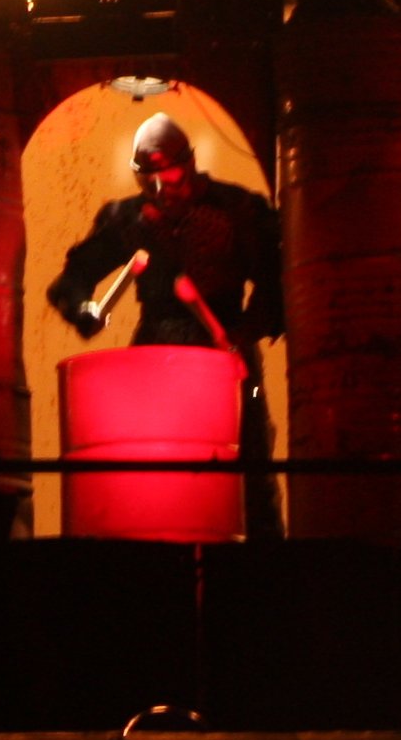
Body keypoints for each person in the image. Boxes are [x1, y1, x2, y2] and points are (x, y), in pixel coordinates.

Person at [46, 112, 284, 535]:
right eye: (147, 179)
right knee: (151, 474)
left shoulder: (238, 210)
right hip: (155, 361)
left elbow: (275, 282)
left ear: (189, 162)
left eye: (168, 176)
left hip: (228, 360)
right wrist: (83, 309)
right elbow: (73, 277)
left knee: (250, 470)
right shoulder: (128, 219)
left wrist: (243, 332)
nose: (159, 190)